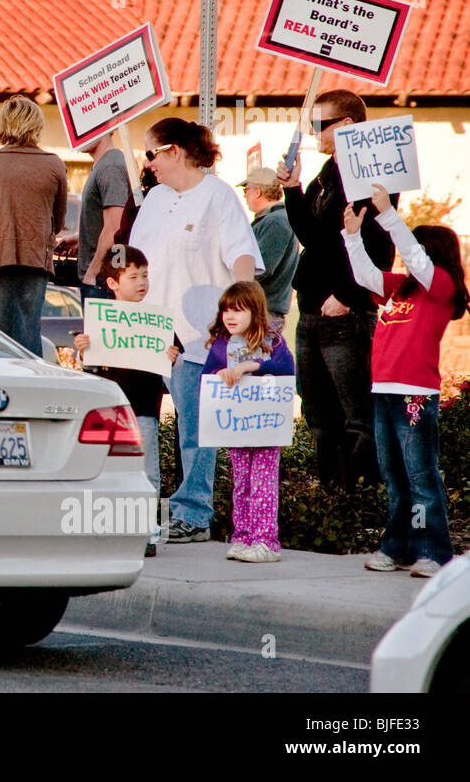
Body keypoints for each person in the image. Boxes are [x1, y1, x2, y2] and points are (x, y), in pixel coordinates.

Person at [129, 117, 262, 544]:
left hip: (195, 336)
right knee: (142, 423)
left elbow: (242, 255)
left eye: (151, 154)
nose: (147, 164)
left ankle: (193, 513)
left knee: (194, 427)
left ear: (175, 152)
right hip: (147, 332)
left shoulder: (218, 197)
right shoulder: (154, 199)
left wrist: (247, 308)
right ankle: (142, 507)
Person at [276, 89, 397, 489]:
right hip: (311, 308)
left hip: (346, 314)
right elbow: (312, 235)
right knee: (319, 417)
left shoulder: (372, 173)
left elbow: (380, 245)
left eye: (318, 125)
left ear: (345, 125)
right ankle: (331, 500)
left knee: (357, 416)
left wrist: (346, 296)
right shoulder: (328, 173)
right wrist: (293, 190)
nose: (313, 133)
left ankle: (363, 501)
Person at [344, 186, 467, 578]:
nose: (407, 255)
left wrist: (388, 215)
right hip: (384, 391)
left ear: (433, 254)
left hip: (415, 393)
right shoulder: (401, 288)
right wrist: (351, 235)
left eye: (417, 250)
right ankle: (396, 547)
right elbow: (364, 275)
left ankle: (433, 551)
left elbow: (414, 255)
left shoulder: (441, 289)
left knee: (420, 475)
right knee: (395, 475)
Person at [73, 245, 169, 556]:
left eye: (145, 275)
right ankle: (109, 528)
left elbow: (172, 354)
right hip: (110, 411)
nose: (142, 282)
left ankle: (146, 532)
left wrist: (172, 354)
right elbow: (89, 366)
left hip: (144, 406)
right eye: (133, 276)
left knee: (147, 471)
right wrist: (82, 347)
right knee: (108, 470)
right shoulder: (100, 320)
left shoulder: (156, 321)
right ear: (113, 283)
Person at [0, 95, 67, 354]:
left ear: (4, 123)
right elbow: (58, 222)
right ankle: (31, 389)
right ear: (36, 124)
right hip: (35, 263)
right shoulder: (54, 165)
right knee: (29, 336)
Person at [201, 281, 295, 563]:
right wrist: (221, 374)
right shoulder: (220, 344)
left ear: (255, 312)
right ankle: (243, 536)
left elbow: (286, 367)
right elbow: (207, 377)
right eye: (226, 310)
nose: (231, 316)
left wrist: (251, 366)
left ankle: (266, 540)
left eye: (239, 310)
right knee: (241, 481)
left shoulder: (272, 341)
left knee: (263, 481)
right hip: (235, 426)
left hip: (266, 426)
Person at [240, 166, 298, 331]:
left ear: (257, 191)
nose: (245, 195)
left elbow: (261, 267)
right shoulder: (274, 219)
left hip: (263, 313)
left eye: (247, 189)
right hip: (262, 311)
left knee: (255, 357)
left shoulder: (275, 221)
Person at [77, 134, 132, 304]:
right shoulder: (105, 165)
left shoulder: (110, 167)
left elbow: (114, 227)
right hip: (102, 279)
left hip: (101, 281)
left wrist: (92, 272)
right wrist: (83, 238)